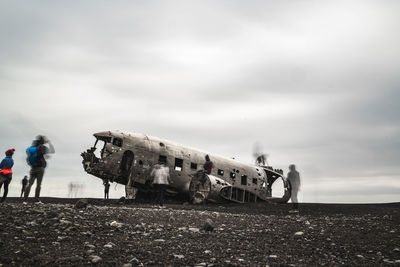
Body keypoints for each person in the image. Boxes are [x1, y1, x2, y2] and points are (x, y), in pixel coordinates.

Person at [24, 135, 55, 203]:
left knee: (29, 184)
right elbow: (52, 151)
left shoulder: (31, 148)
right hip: (40, 168)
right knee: (38, 184)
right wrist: (49, 143)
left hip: (32, 168)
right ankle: (36, 200)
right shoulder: (42, 147)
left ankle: (25, 200)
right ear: (43, 141)